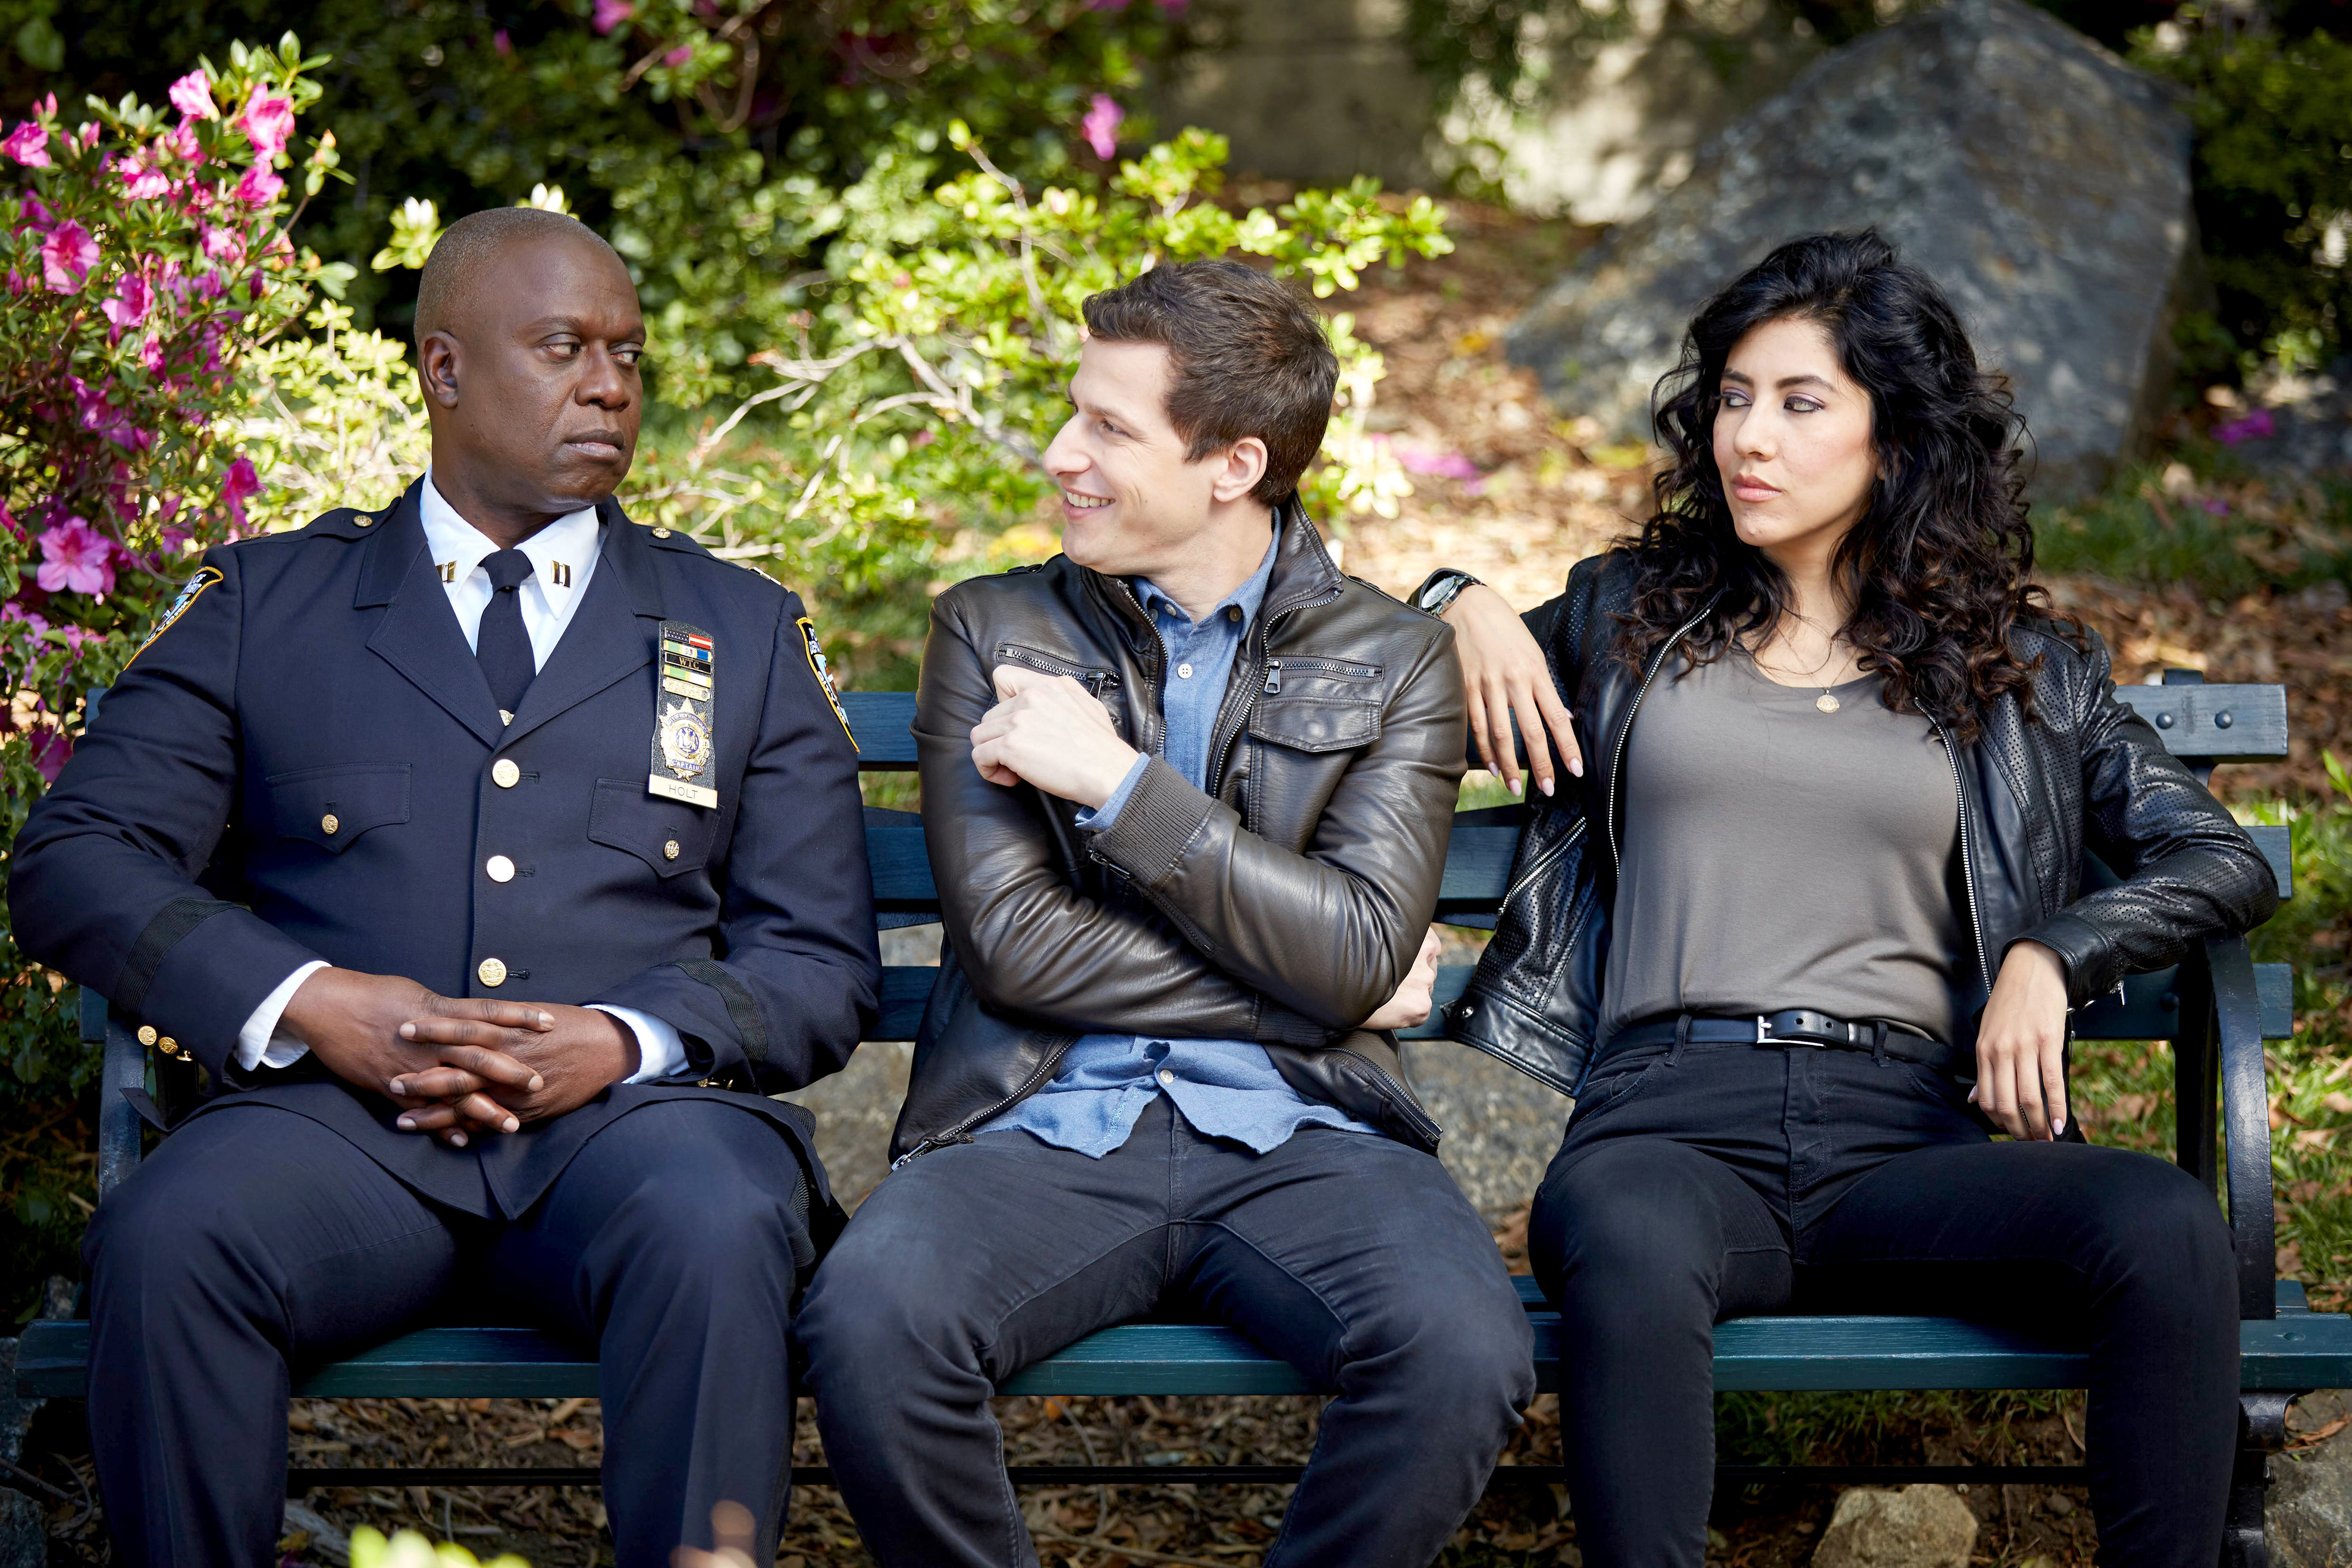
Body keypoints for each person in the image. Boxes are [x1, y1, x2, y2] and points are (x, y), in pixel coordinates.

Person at [9, 206, 880, 1567]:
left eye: (627, 356)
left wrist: (625, 1037)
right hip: (334, 1133)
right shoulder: (268, 605)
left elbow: (818, 958)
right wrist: (312, 1001)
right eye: (562, 348)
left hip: (631, 1140)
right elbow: (74, 858)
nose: (608, 384)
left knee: (721, 1220)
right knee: (170, 1235)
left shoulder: (738, 631)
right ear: (443, 367)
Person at [1406, 230, 2280, 1567]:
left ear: (1897, 438)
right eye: (1734, 397)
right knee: (1627, 1238)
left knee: (2161, 1224)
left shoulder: (2021, 672)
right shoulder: (1625, 618)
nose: (1746, 436)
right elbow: (1355, 699)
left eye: (1799, 402)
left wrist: (2052, 952)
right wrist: (1452, 599)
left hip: (1903, 1146)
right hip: (1666, 1131)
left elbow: (2215, 856)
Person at [794, 258, 1535, 1568]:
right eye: (1073, 411)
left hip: (1312, 1132)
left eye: (1107, 427)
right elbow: (1017, 948)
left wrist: (1121, 788)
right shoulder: (990, 630)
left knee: (1460, 1347)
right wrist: (1322, 978)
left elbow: (1365, 939)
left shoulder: (1391, 657)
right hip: (1031, 1124)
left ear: (1232, 464)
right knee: (872, 1319)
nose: (1059, 450)